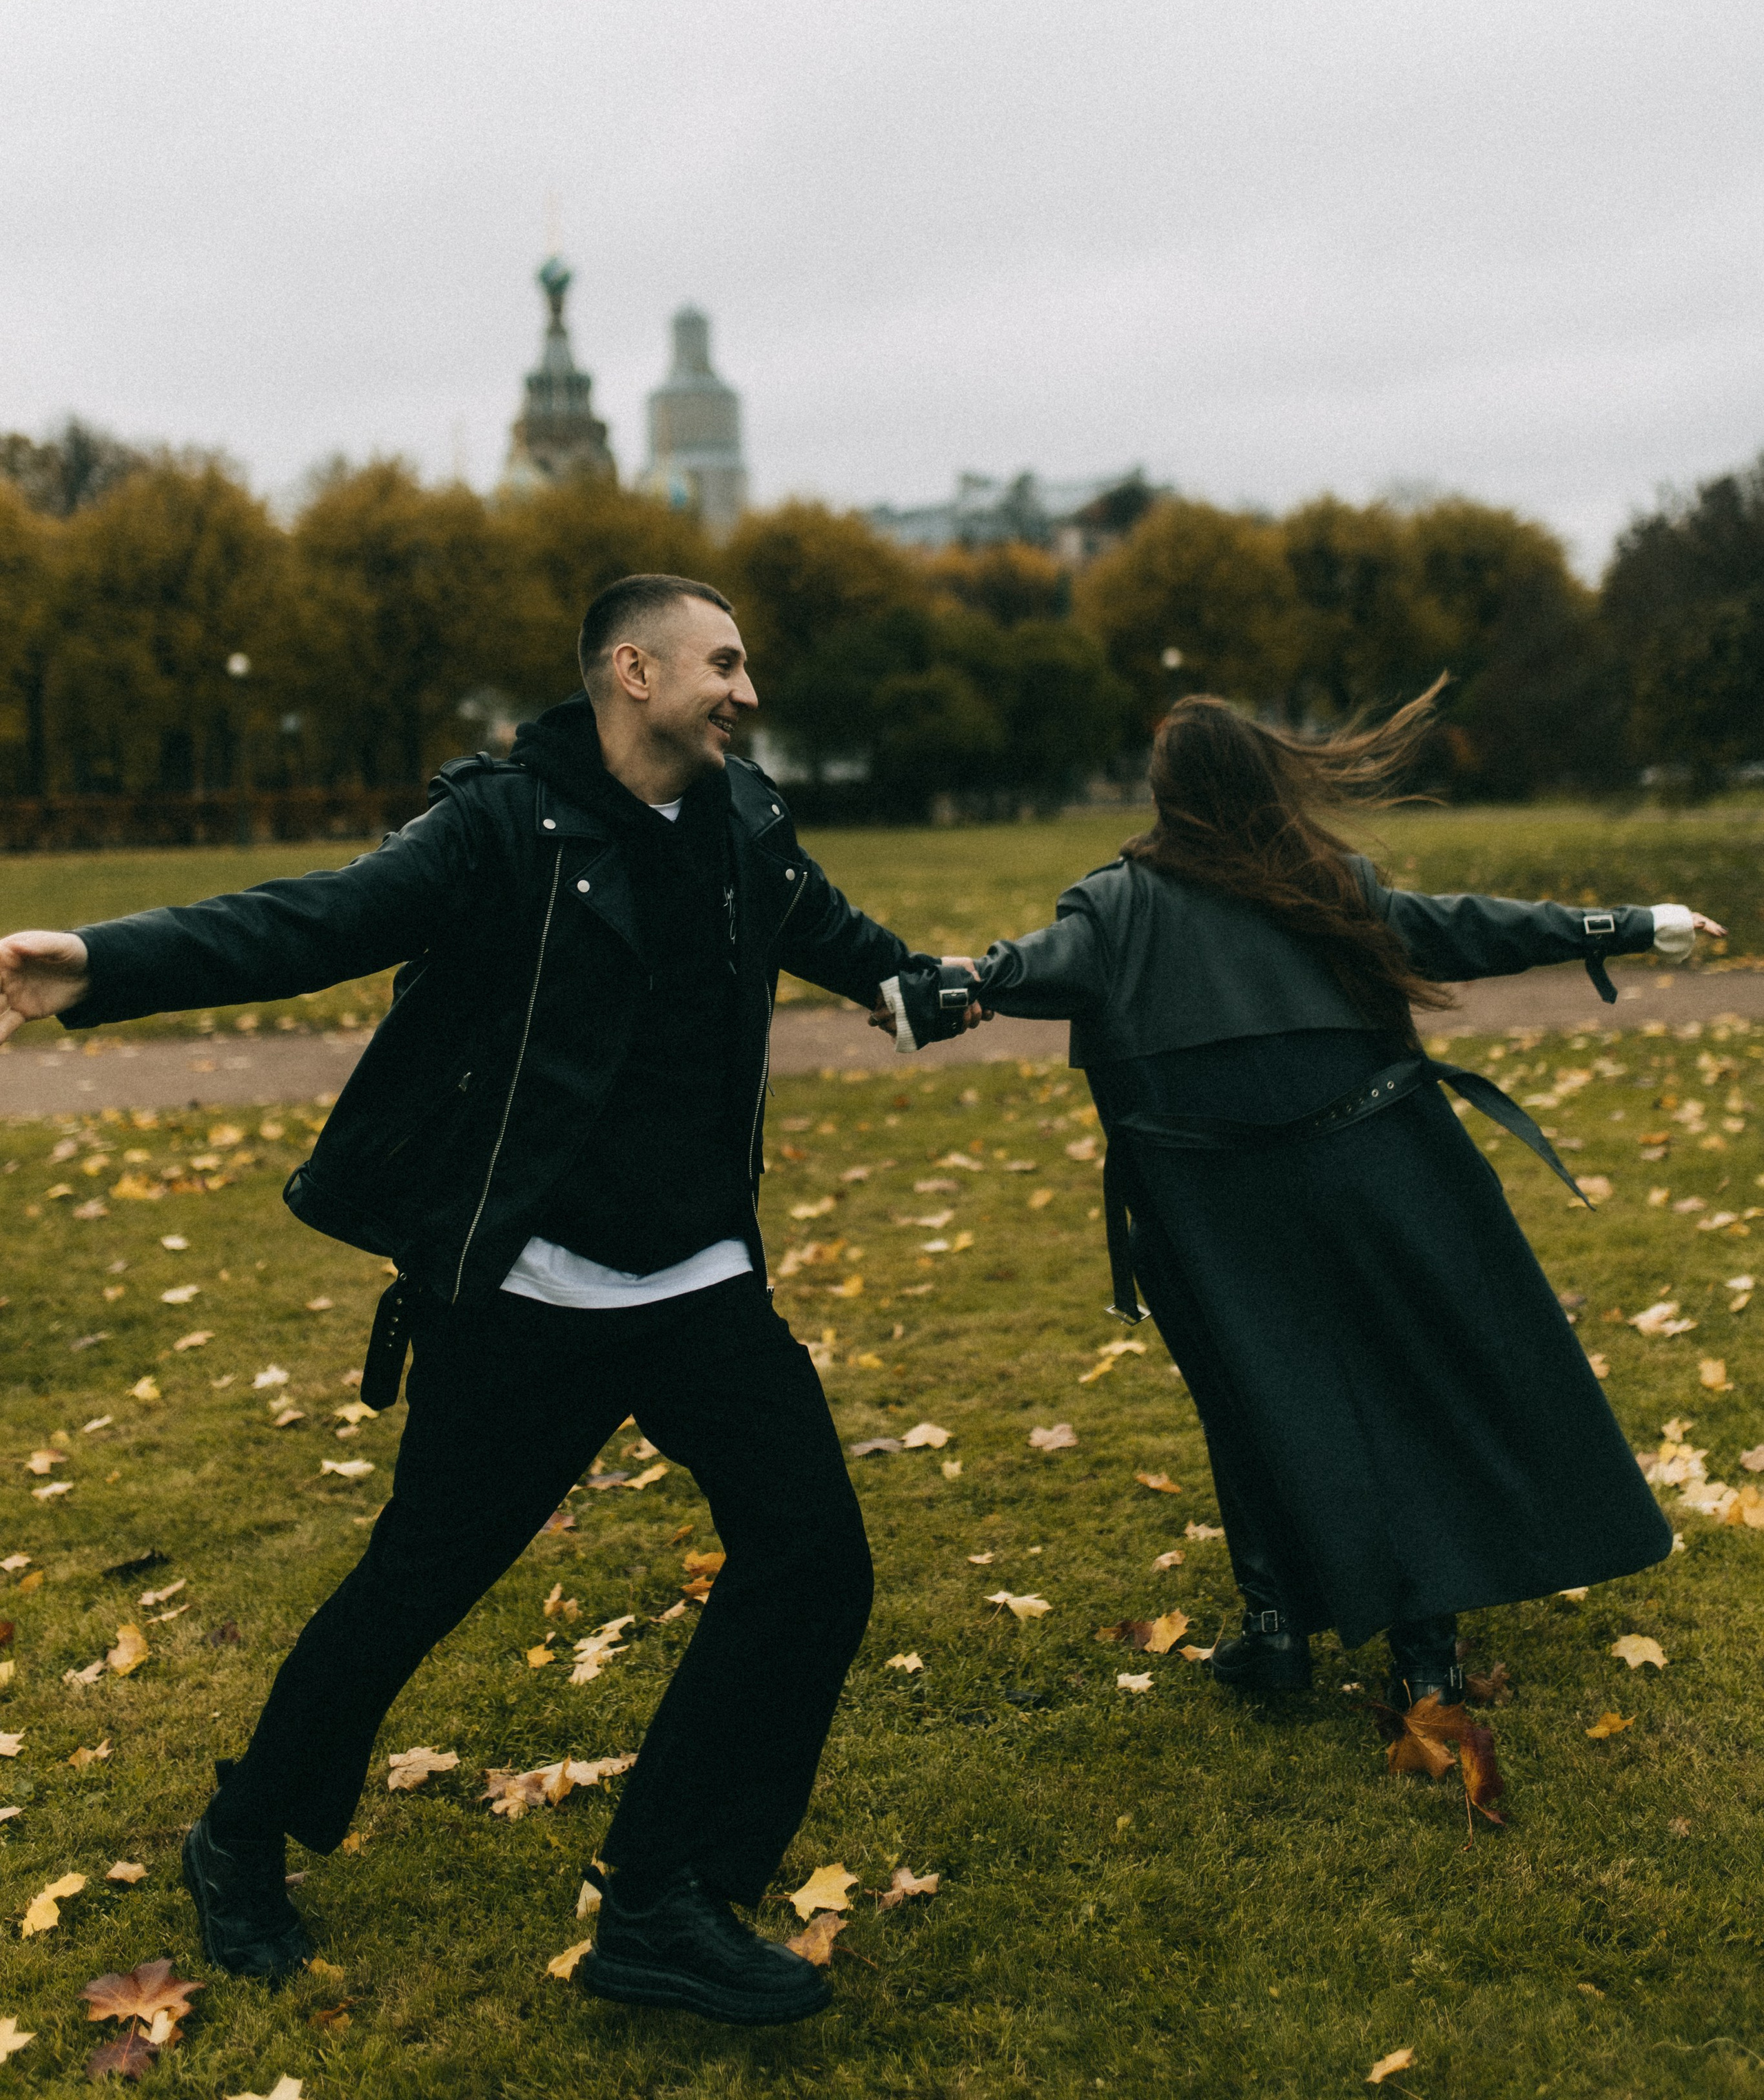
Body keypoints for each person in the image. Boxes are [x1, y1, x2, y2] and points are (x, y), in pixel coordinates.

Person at [0, 574, 947, 2027]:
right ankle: (241, 1832)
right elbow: (316, 921)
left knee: (814, 1556)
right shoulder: (504, 825)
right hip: (527, 1294)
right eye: (723, 665)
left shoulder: (746, 822)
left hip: (699, 1284)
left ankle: (662, 1899)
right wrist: (96, 964)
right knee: (418, 1582)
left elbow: (848, 943)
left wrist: (998, 978)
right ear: (632, 672)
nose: (746, 693)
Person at [886, 685, 1721, 1706]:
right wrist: (1634, 922)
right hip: (1377, 1186)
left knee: (1255, 1400)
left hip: (1220, 1221)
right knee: (1398, 1388)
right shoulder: (1334, 889)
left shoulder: (1116, 907)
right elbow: (1472, 929)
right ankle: (1426, 1661)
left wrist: (952, 986)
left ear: (1167, 796)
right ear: (1267, 780)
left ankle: (1277, 1630)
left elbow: (1028, 970)